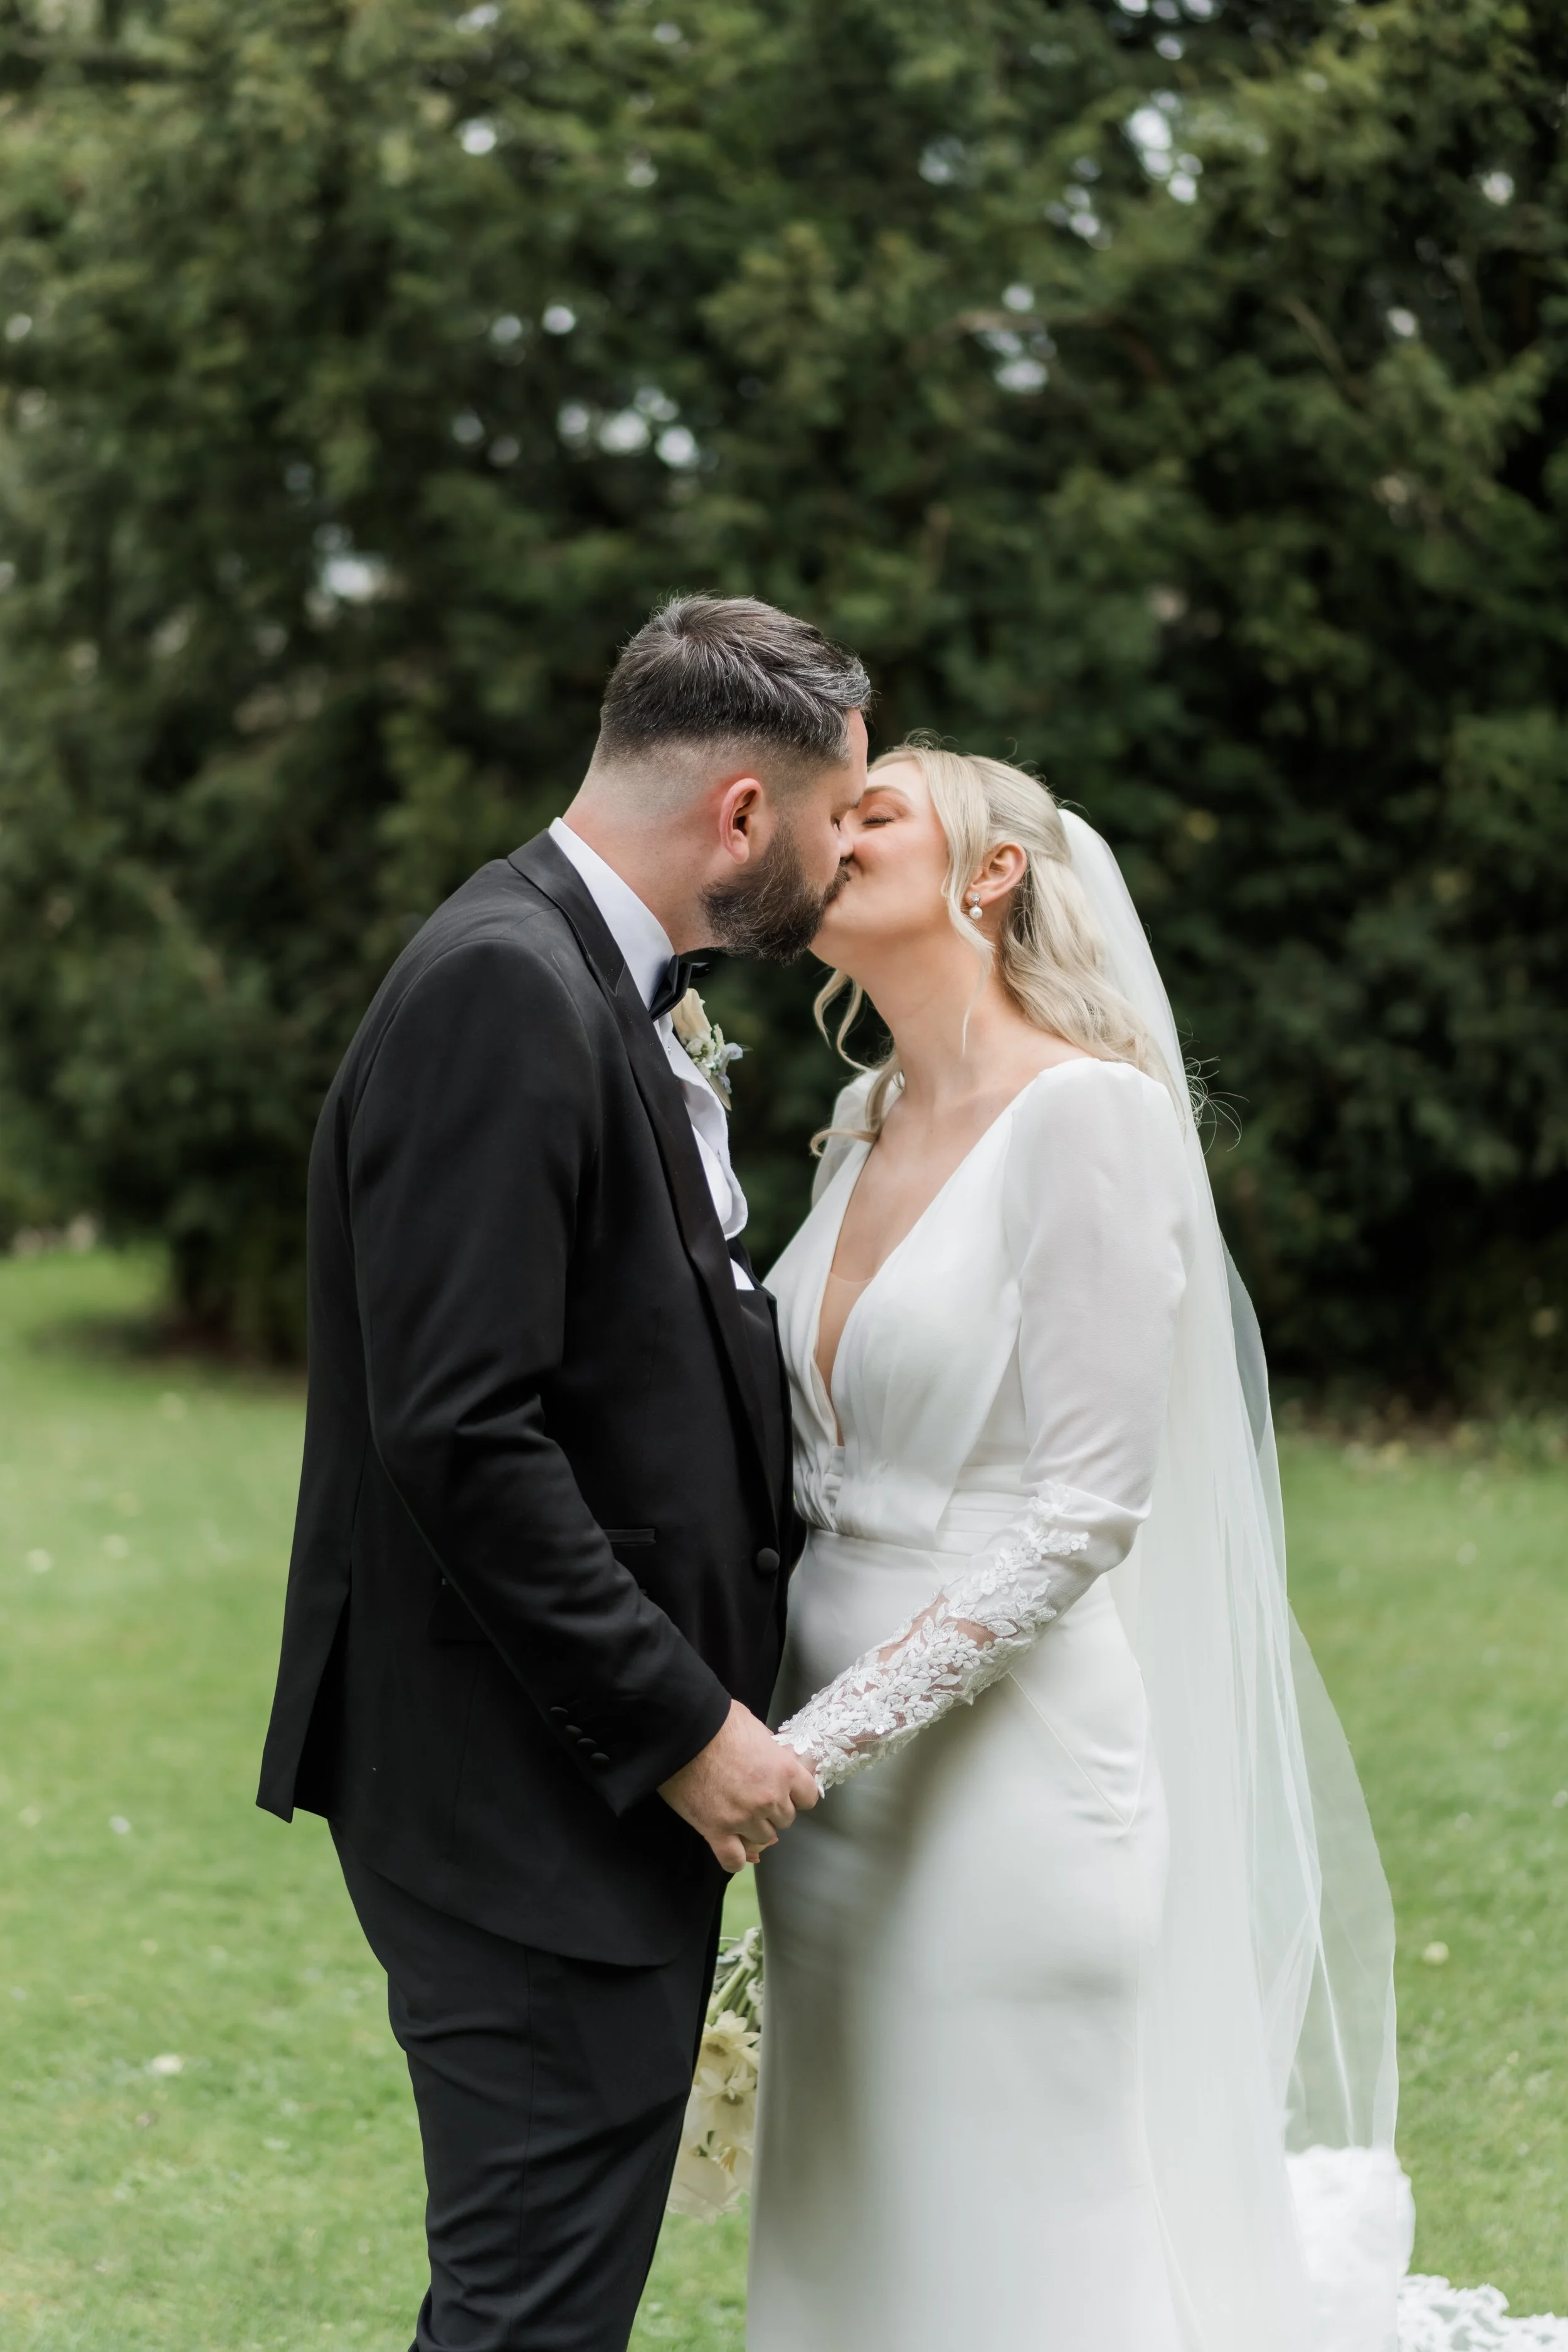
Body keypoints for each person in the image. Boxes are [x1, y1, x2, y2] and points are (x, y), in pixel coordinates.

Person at [256, 595, 868, 2352]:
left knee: (538, 2296)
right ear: (741, 813)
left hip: (544, 1791)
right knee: (532, 2311)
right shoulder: (501, 988)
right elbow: (461, 1425)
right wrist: (681, 1721)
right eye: (828, 821)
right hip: (519, 1797)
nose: (828, 867)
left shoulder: (579, 973)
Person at [746, 742, 1413, 2352]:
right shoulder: (863, 1109)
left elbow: (1082, 1514)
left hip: (999, 1784)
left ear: (988, 877)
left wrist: (811, 1748)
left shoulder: (1087, 1120)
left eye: (875, 810)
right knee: (856, 2213)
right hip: (808, 1796)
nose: (832, 833)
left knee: (1014, 2221)